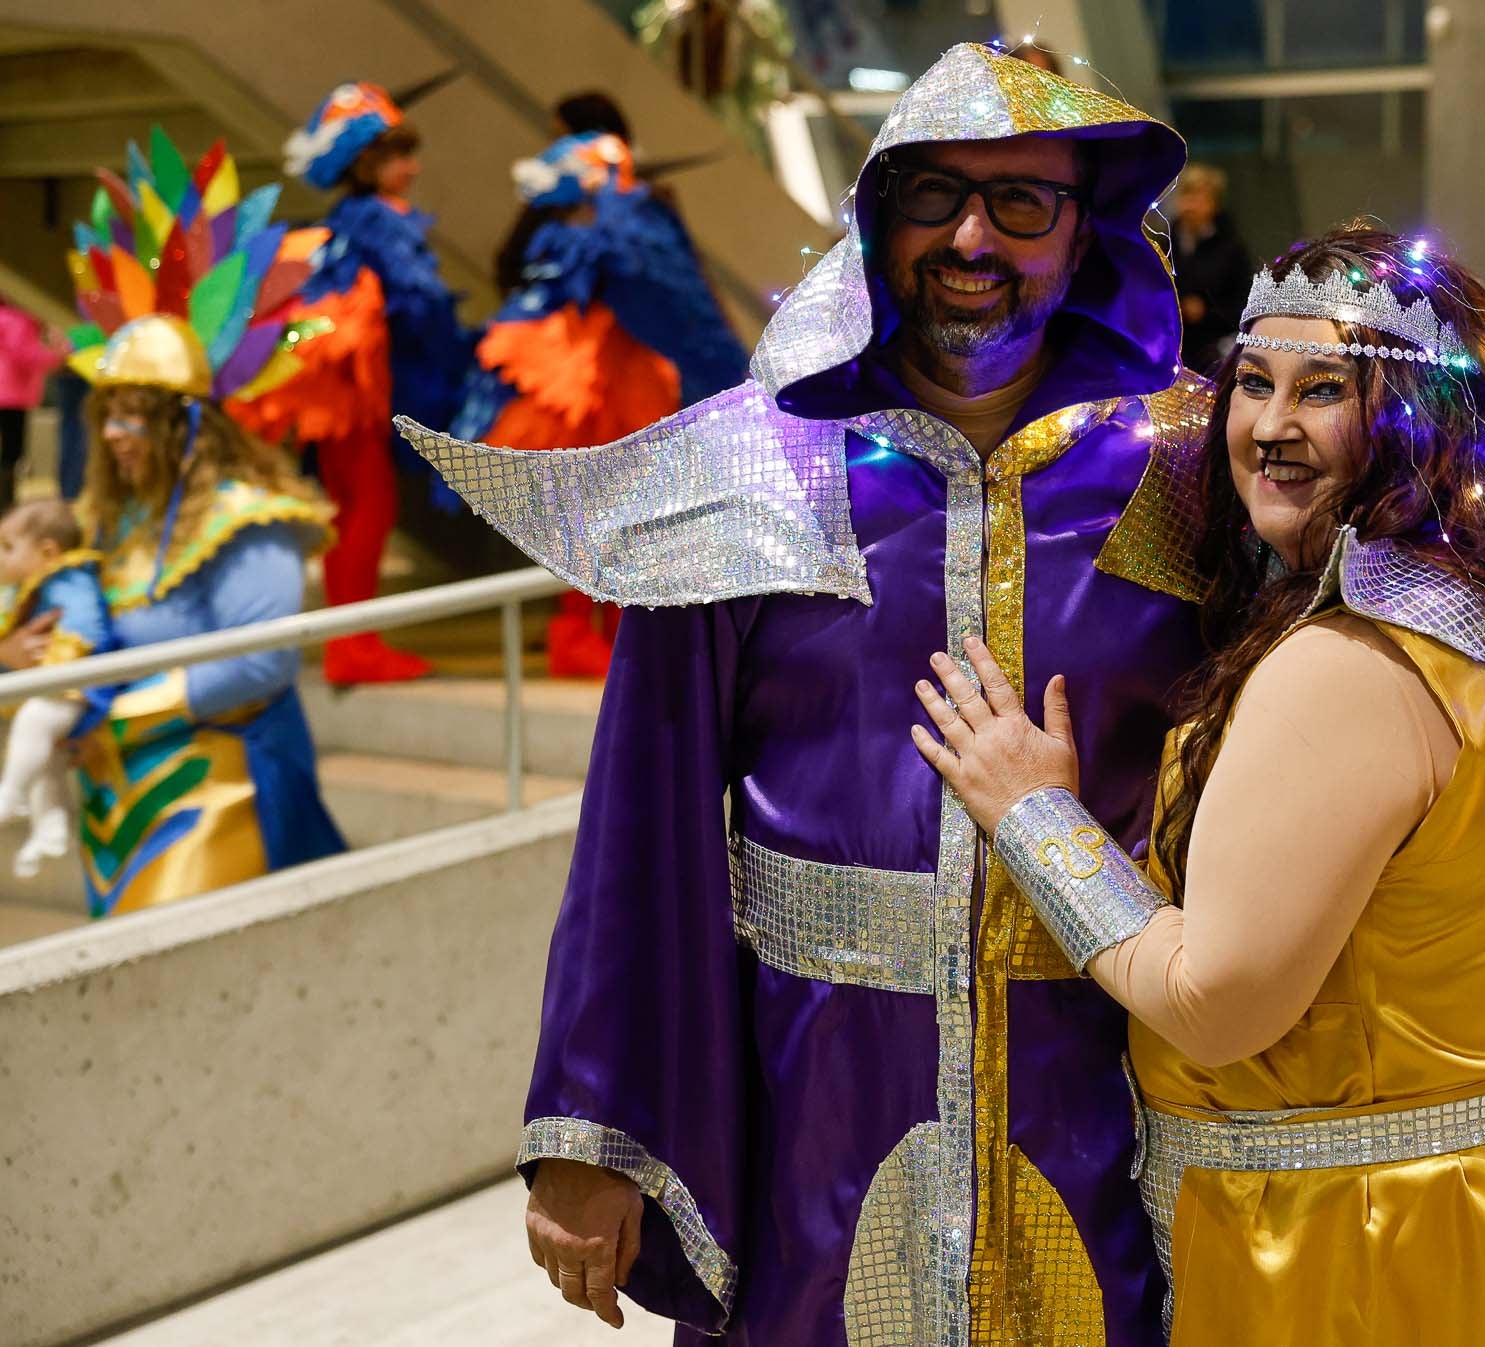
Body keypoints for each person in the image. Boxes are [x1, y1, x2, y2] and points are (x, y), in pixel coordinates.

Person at [400, 42, 1209, 1344]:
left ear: (1086, 225)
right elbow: (641, 821)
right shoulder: (757, 464)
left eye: (1022, 203)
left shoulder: (1188, 466)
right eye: (934, 194)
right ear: (877, 216)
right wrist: (591, 1125)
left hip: (1109, 1086)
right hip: (817, 1093)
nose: (971, 236)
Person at [910, 223, 1485, 1344]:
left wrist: (1033, 819)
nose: (1269, 428)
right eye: (1252, 384)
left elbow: (1216, 1003)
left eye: (1322, 389)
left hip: (1363, 1260)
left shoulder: (1344, 667)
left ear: (1417, 420)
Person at [62, 128, 346, 918]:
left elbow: (259, 666)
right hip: (116, 793)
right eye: (108, 414)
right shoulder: (108, 517)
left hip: (224, 783)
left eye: (136, 416)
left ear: (184, 426)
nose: (116, 434)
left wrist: (117, 711)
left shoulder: (250, 519)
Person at [454, 130, 748, 677]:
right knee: (591, 509)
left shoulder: (600, 234)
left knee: (617, 509)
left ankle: (610, 631)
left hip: (620, 373)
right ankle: (576, 631)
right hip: (581, 380)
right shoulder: (580, 241)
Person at [234, 81, 474, 685]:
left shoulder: (349, 217)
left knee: (357, 504)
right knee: (368, 504)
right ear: (365, 163)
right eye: (397, 156)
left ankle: (352, 639)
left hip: (346, 385)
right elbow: (417, 300)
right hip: (354, 385)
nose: (411, 168)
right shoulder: (377, 218)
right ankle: (352, 644)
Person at [0, 498, 111, 878]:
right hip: (57, 680)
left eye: (7, 547)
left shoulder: (70, 579)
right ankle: (50, 828)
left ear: (47, 551)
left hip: (76, 681)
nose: (0, 556)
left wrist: (62, 661)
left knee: (33, 724)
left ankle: (10, 795)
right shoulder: (30, 587)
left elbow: (85, 625)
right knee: (46, 761)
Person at [1169, 163, 1252, 376]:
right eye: (1188, 195)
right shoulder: (1164, 241)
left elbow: (1243, 306)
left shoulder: (1232, 248)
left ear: (1214, 203)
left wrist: (1205, 313)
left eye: (1200, 197)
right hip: (1171, 349)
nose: (1192, 205)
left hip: (1214, 353)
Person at [0, 295, 65, 513]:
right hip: (11, 396)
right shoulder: (18, 319)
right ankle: (6, 503)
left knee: (9, 452)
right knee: (12, 453)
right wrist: (59, 354)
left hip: (8, 395)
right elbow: (27, 354)